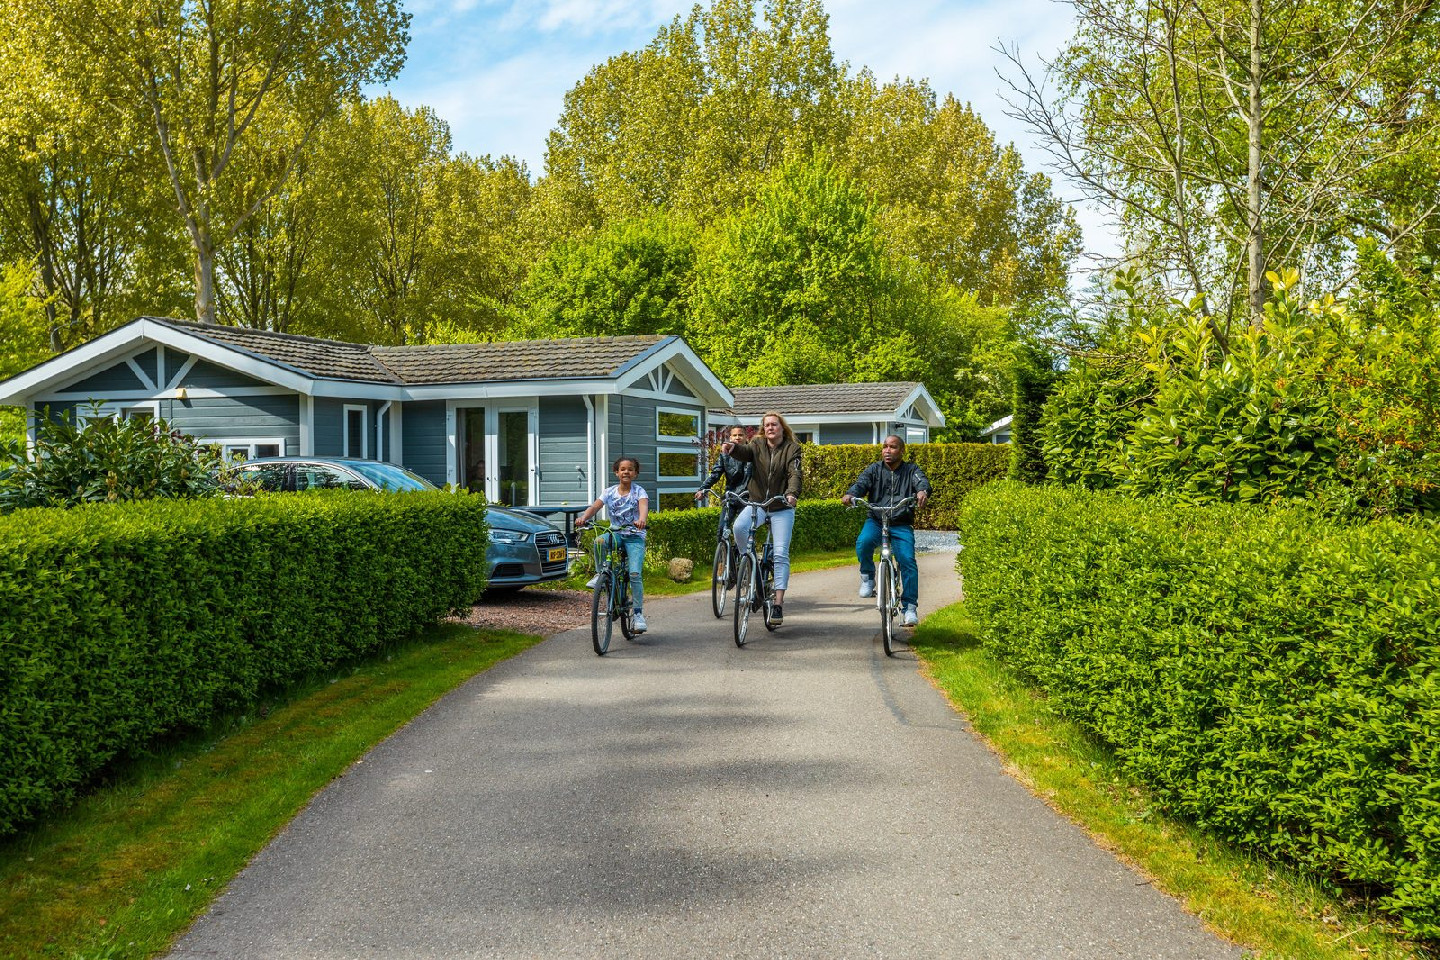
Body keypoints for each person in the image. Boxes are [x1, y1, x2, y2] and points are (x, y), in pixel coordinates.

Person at [720, 411, 803, 625]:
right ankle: (749, 563)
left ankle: (778, 604)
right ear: (763, 429)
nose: (770, 428)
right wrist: (732, 448)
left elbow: (795, 473)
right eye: (767, 425)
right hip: (757, 503)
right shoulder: (757, 444)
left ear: (782, 427)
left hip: (781, 506)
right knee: (739, 527)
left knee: (781, 553)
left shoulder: (792, 448)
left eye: (774, 424)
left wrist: (792, 494)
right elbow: (744, 452)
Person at [841, 435, 931, 627]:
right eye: (884, 446)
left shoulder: (911, 470)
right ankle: (868, 577)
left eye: (892, 447)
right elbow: (861, 484)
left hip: (901, 522)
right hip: (876, 519)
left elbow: (922, 482)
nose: (887, 450)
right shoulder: (874, 469)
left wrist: (922, 491)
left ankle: (910, 608)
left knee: (907, 561)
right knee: (864, 542)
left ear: (902, 451)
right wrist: (851, 494)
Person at [576, 455, 650, 633]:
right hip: (615, 534)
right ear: (616, 472)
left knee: (634, 574)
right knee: (599, 540)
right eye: (622, 469)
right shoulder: (609, 492)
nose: (626, 472)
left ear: (635, 473)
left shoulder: (639, 492)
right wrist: (584, 517)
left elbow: (643, 507)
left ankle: (638, 615)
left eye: (630, 469)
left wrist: (642, 519)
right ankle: (600, 573)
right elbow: (595, 506)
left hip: (634, 536)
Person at [695, 425, 754, 573]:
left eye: (741, 435)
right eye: (734, 435)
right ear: (730, 438)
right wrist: (703, 489)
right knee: (722, 531)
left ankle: (748, 564)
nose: (737, 438)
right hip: (731, 498)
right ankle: (728, 568)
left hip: (747, 498)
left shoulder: (752, 454)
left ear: (746, 437)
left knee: (744, 531)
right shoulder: (725, 455)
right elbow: (715, 474)